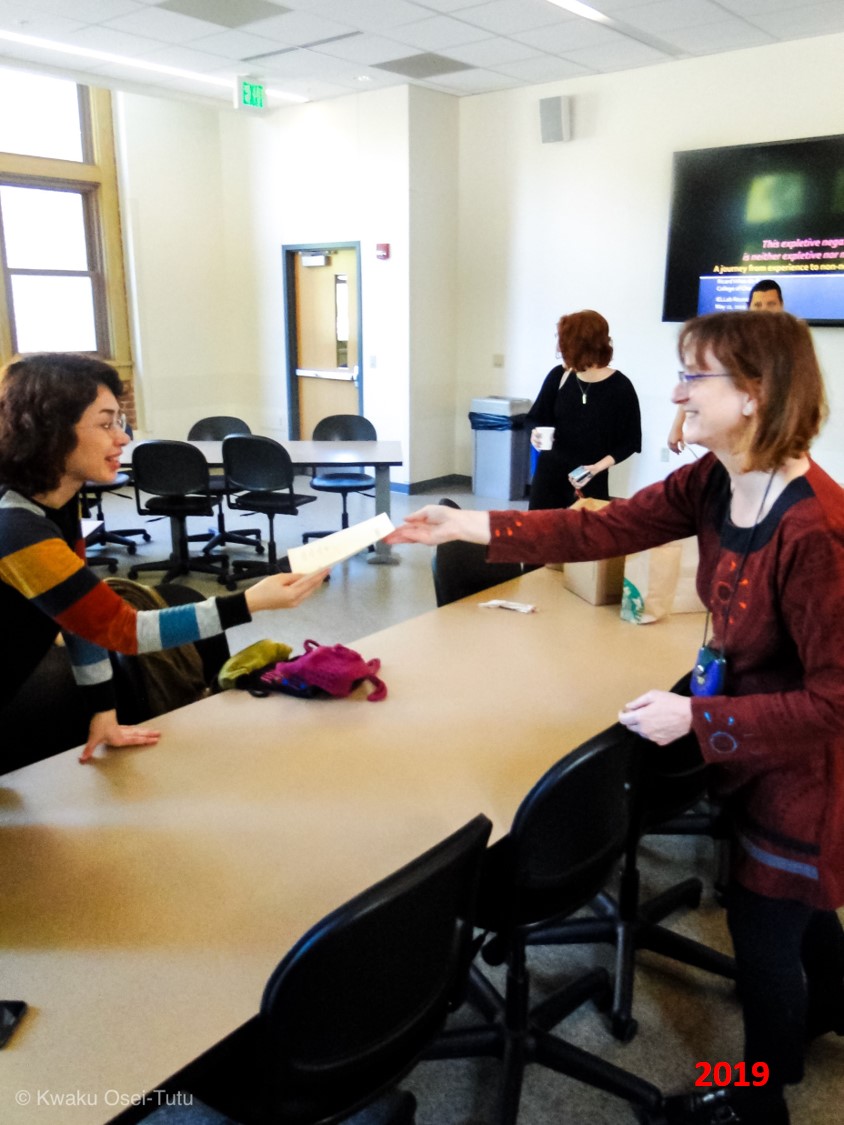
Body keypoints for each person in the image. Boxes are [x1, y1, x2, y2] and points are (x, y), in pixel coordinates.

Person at [388, 311, 844, 1125]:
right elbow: (604, 524)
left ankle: (754, 1100)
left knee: (763, 929)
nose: (676, 393)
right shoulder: (715, 481)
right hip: (754, 751)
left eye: (694, 375)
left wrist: (700, 719)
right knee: (798, 910)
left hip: (803, 773)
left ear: (755, 393)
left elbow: (835, 702)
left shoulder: (816, 531)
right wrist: (467, 524)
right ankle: (830, 1006)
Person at [0, 353, 328, 764]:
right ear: (50, 432)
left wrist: (103, 712)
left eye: (119, 422)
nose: (123, 438)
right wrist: (249, 602)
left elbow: (80, 619)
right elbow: (124, 630)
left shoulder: (58, 504)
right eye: (105, 424)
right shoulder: (16, 528)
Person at [525, 309, 641, 509]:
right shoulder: (558, 376)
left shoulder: (620, 387)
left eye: (564, 343)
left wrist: (596, 468)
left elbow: (630, 441)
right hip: (548, 478)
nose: (559, 348)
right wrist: (534, 433)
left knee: (586, 528)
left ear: (580, 346)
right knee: (540, 528)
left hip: (590, 478)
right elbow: (535, 418)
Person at [668, 280, 784, 452]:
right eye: (758, 305)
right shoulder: (734, 345)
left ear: (781, 306)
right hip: (736, 435)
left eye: (771, 304)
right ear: (749, 307)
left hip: (776, 434)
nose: (764, 311)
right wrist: (677, 426)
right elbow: (698, 381)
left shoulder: (792, 348)